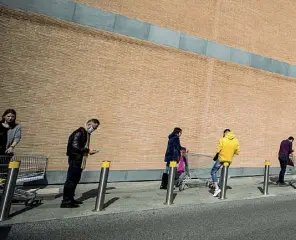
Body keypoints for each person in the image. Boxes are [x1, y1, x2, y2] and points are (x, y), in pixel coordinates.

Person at [61, 119, 100, 208]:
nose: (93, 129)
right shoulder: (79, 132)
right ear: (88, 124)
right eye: (93, 127)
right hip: (75, 160)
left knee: (75, 180)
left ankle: (70, 199)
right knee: (71, 181)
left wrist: (88, 152)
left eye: (95, 128)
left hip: (80, 160)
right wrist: (87, 150)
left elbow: (79, 147)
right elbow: (74, 146)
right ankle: (66, 201)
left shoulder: (86, 134)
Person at [211, 129, 240, 197]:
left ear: (225, 133)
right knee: (224, 173)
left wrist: (216, 156)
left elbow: (218, 149)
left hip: (221, 159)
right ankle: (221, 187)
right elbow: (237, 152)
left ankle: (217, 188)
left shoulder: (223, 139)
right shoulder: (235, 141)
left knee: (213, 172)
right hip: (229, 160)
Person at [0, 109, 22, 181]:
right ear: (4, 116)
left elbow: (17, 137)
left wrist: (11, 147)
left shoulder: (16, 127)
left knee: (4, 170)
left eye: (12, 116)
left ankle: (3, 186)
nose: (10, 118)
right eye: (8, 116)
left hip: (6, 152)